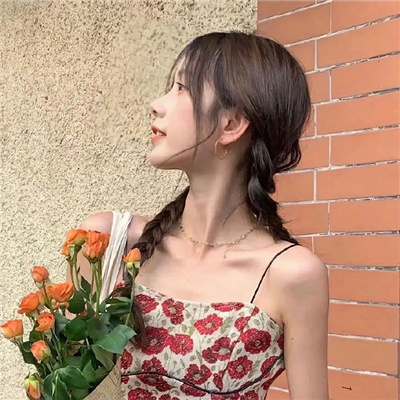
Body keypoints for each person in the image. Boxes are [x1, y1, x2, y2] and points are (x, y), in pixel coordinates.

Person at [68, 31, 329, 399]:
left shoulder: (291, 274)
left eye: (181, 88)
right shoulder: (108, 243)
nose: (156, 104)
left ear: (231, 124)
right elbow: (65, 382)